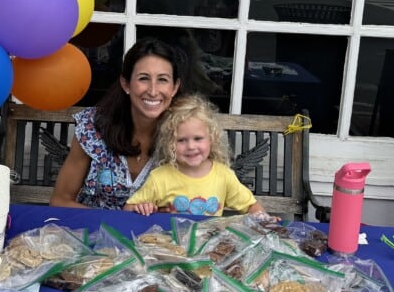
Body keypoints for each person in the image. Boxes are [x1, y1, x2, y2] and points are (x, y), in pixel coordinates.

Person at [49, 38, 184, 210]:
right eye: (144, 78)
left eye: (163, 80)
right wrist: (114, 222)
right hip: (93, 232)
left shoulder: (187, 136)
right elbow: (60, 201)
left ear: (174, 87)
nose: (152, 91)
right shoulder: (93, 127)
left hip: (156, 235)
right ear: (126, 84)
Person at [125, 94, 265, 217]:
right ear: (169, 143)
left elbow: (251, 206)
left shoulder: (224, 175)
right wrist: (141, 208)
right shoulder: (159, 178)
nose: (191, 147)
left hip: (209, 244)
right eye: (181, 140)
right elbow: (127, 210)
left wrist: (264, 220)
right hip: (171, 244)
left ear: (212, 139)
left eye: (198, 138)